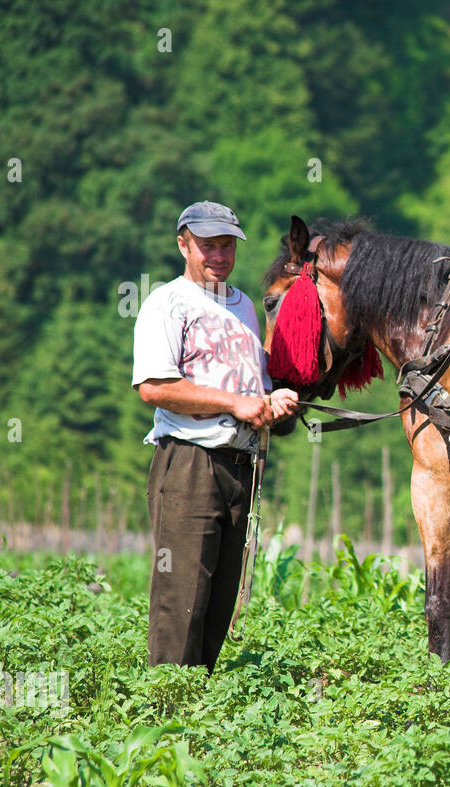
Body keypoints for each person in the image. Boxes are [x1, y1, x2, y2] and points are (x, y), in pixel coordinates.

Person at [132, 201, 299, 672]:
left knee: (220, 598)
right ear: (183, 244)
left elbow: (251, 387)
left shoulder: (244, 306)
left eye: (227, 245)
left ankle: (202, 712)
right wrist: (234, 403)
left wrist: (272, 398)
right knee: (181, 597)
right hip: (189, 463)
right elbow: (154, 387)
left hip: (238, 465)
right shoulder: (167, 302)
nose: (219, 255)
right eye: (208, 246)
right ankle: (167, 714)